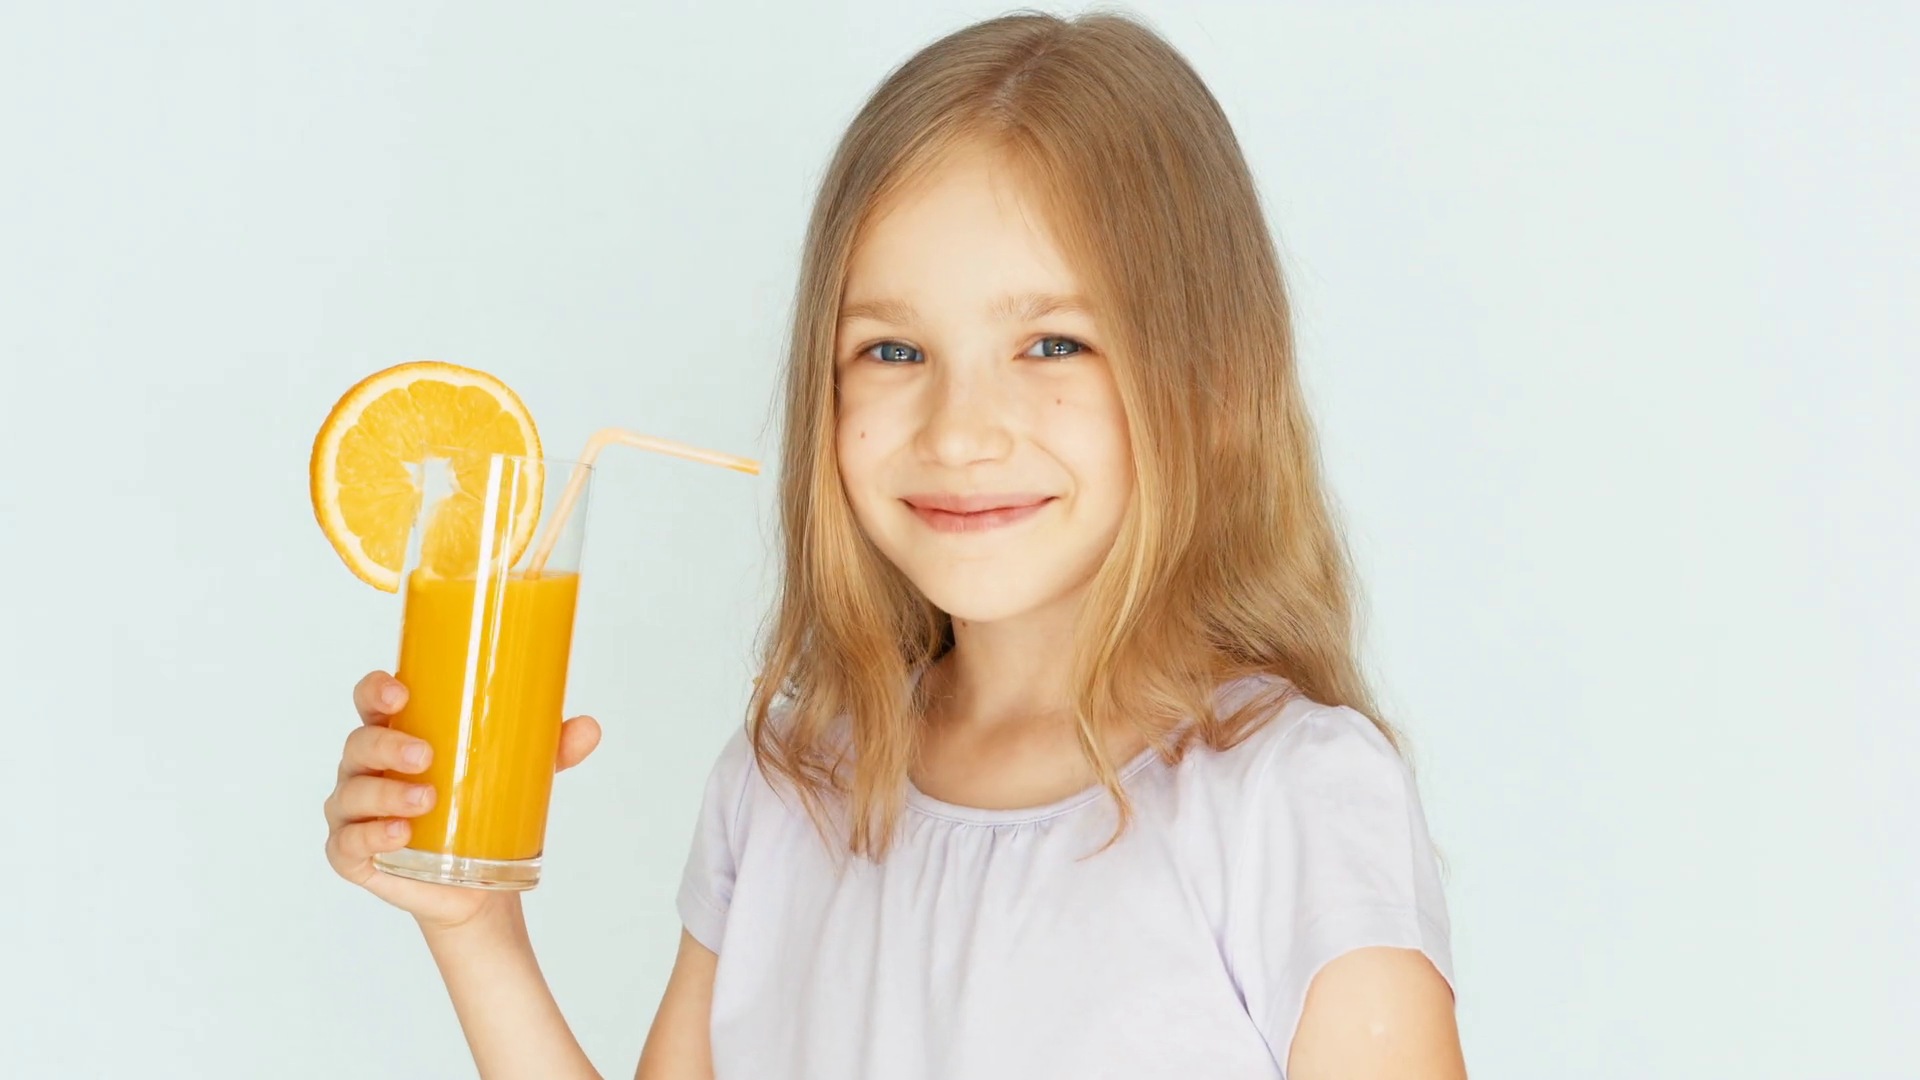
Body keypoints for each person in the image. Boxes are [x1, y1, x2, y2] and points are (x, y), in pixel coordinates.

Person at [322, 11, 1464, 1079]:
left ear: (1214, 384)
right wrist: (479, 932)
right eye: (894, 353)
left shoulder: (1293, 799)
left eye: (1055, 345)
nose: (961, 432)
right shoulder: (789, 784)